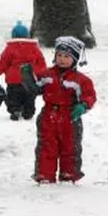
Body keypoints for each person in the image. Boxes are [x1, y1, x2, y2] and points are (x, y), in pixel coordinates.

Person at [21, 36, 97, 184]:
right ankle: (45, 175)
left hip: (70, 118)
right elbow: (36, 88)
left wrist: (83, 106)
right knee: (46, 147)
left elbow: (89, 95)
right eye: (59, 55)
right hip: (48, 116)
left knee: (70, 147)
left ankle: (68, 174)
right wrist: (27, 76)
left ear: (74, 59)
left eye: (67, 56)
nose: (62, 59)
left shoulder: (80, 80)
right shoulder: (47, 74)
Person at [0, 20, 47, 121]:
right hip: (29, 80)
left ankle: (15, 110)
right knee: (29, 98)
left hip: (13, 81)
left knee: (13, 97)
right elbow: (40, 63)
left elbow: (3, 63)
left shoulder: (10, 48)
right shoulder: (34, 48)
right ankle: (28, 112)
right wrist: (42, 74)